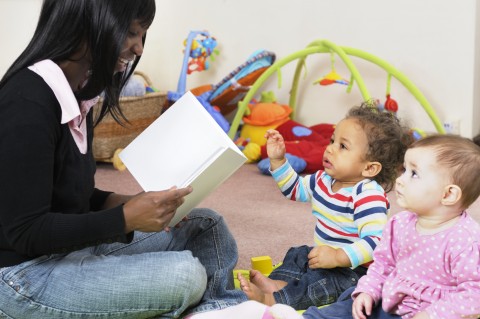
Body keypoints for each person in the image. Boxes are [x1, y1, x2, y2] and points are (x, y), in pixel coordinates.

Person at [0, 1, 246, 318]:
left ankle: (216, 311)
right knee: (186, 275)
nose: (138, 48)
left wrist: (126, 202)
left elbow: (68, 195)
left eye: (142, 35)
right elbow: (26, 232)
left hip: (66, 251)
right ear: (89, 20)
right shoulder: (26, 103)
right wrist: (125, 219)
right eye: (132, 32)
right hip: (21, 277)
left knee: (207, 225)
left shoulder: (78, 94)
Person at [190, 134, 480, 319]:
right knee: (342, 301)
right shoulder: (400, 223)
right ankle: (288, 313)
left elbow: (474, 293)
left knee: (338, 285)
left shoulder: (464, 240)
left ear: (449, 195)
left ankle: (279, 297)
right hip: (385, 297)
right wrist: (368, 291)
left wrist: (432, 314)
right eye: (404, 169)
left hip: (419, 309)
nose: (401, 180)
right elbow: (381, 266)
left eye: (414, 174)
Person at [237, 104, 412, 310]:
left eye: (342, 146)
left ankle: (275, 299)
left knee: (324, 284)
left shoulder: (368, 195)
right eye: (332, 141)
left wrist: (338, 257)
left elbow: (376, 243)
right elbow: (294, 189)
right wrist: (278, 160)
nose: (330, 148)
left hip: (354, 271)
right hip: (325, 255)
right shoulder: (322, 179)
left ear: (369, 168)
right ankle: (278, 283)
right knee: (298, 254)